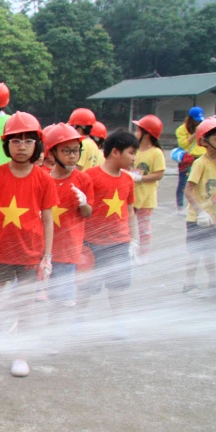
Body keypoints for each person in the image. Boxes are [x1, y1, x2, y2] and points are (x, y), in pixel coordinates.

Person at [0, 112, 57, 378]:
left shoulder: (43, 179)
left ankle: (20, 355)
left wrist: (48, 256)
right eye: (16, 140)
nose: (22, 146)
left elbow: (49, 219)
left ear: (37, 145)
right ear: (6, 144)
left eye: (28, 141)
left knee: (25, 308)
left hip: (30, 254)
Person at [79, 129, 139, 338]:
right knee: (86, 286)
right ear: (115, 152)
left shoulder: (128, 180)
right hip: (91, 243)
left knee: (118, 287)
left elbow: (130, 211)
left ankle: (118, 324)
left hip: (118, 243)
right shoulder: (90, 177)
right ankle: (77, 323)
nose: (134, 158)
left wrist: (134, 240)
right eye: (131, 153)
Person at [43, 124, 93, 308]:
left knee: (62, 301)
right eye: (66, 151)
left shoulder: (83, 179)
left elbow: (87, 213)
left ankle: (56, 334)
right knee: (32, 300)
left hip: (67, 251)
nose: (73, 155)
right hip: (41, 251)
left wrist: (84, 203)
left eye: (76, 151)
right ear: (52, 153)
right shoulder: (43, 178)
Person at [182, 117, 216, 294]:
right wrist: (200, 212)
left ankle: (212, 281)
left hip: (214, 218)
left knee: (210, 252)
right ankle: (189, 283)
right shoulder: (200, 163)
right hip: (197, 219)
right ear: (204, 141)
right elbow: (188, 191)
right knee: (194, 253)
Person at [130, 115, 166, 258]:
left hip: (146, 198)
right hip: (131, 195)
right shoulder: (134, 149)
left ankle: (143, 254)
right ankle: (130, 249)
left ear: (147, 133)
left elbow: (159, 174)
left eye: (138, 130)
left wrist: (141, 178)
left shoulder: (156, 153)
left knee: (144, 228)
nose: (135, 133)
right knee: (128, 225)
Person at [175, 107, 207, 214]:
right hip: (188, 159)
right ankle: (180, 207)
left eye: (200, 119)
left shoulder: (203, 126)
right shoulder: (181, 129)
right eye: (196, 119)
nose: (198, 121)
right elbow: (183, 144)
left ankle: (195, 205)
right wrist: (195, 134)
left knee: (199, 183)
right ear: (190, 118)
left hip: (201, 158)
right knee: (184, 183)